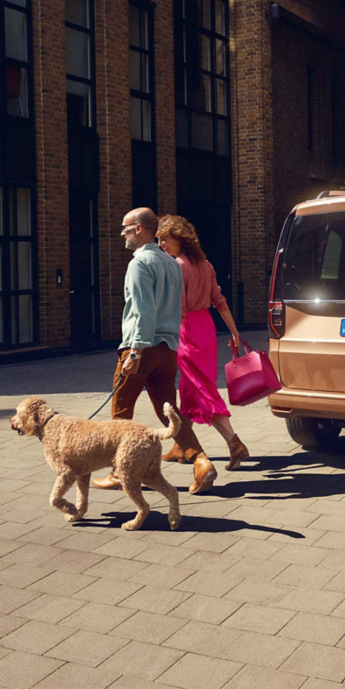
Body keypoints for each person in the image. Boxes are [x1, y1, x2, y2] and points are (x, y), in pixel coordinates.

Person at [92, 207, 217, 497]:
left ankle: (118, 471)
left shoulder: (139, 264)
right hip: (168, 349)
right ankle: (201, 462)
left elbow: (143, 311)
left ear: (139, 229)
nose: (121, 233)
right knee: (169, 413)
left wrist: (134, 352)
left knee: (121, 410)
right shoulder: (172, 264)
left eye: (125, 228)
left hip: (142, 349)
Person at [157, 214, 250, 473]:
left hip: (187, 332)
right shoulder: (206, 265)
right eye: (160, 240)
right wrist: (234, 332)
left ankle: (234, 443)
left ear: (179, 239)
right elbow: (219, 301)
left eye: (165, 239)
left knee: (202, 390)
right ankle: (181, 445)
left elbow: (180, 310)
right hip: (206, 329)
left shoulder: (177, 266)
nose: (162, 245)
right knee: (189, 390)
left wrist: (166, 337)